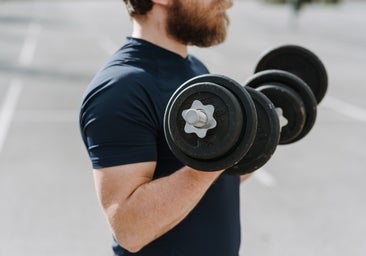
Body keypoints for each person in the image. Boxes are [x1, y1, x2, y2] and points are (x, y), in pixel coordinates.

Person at [79, 0, 251, 255]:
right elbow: (129, 229)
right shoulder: (121, 89)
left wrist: (261, 133)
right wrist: (214, 157)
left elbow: (218, 182)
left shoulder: (196, 71)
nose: (228, 2)